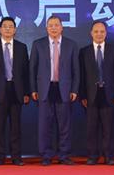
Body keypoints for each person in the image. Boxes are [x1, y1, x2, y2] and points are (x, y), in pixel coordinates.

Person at [29, 16, 79, 166]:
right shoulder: (38, 44)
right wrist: (33, 89)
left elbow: (76, 70)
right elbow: (32, 69)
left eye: (56, 25)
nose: (54, 28)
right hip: (45, 88)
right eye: (50, 25)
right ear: (46, 28)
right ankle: (46, 155)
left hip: (65, 89)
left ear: (62, 27)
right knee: (45, 125)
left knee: (65, 125)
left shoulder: (71, 44)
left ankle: (64, 155)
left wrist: (74, 89)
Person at [0, 17, 30, 166]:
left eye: (11, 26)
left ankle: (16, 157)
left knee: (16, 127)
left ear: (15, 30)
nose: (8, 29)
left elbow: (26, 72)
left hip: (17, 91)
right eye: (5, 26)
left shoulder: (22, 47)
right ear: (0, 29)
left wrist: (26, 93)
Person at [79, 21, 114, 165]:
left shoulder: (113, 50)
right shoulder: (84, 52)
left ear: (106, 33)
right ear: (91, 33)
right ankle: (92, 156)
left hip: (108, 94)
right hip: (91, 95)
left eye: (102, 31)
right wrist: (82, 95)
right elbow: (82, 76)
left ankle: (109, 156)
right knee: (91, 128)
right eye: (96, 31)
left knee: (108, 127)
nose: (99, 34)